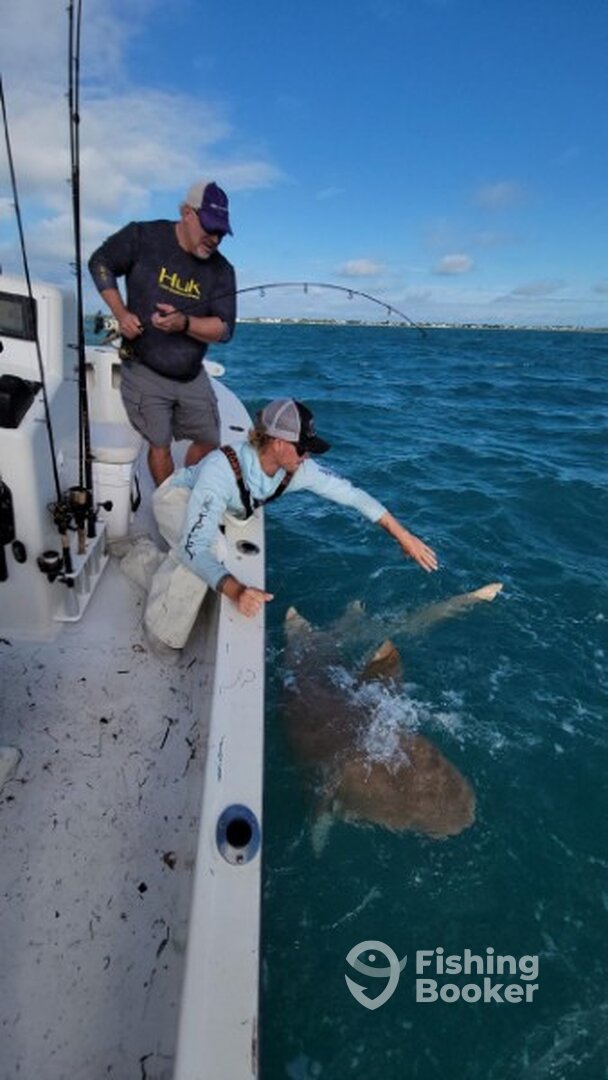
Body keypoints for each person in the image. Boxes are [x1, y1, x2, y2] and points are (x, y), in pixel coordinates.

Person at [142, 398, 438, 653]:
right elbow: (194, 548)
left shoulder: (298, 470)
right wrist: (238, 591)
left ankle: (146, 560)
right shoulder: (221, 469)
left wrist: (403, 536)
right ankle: (160, 634)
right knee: (209, 550)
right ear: (278, 442)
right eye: (302, 448)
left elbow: (353, 495)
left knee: (208, 554)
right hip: (178, 498)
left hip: (225, 507)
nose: (307, 456)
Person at [88, 180, 236, 485]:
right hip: (144, 367)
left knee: (210, 440)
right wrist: (122, 313)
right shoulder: (143, 236)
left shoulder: (222, 270)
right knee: (160, 442)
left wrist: (185, 323)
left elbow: (224, 329)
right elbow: (100, 262)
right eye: (209, 228)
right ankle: (168, 499)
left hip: (191, 374)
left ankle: (186, 489)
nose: (214, 238)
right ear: (187, 213)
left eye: (221, 232)